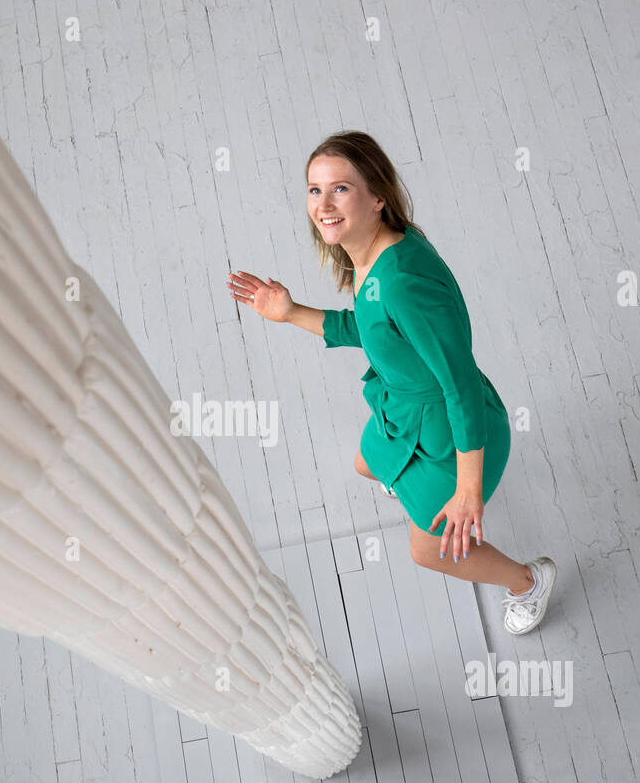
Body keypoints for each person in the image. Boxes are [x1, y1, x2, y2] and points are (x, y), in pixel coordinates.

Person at [226, 131, 556, 634]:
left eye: (341, 189)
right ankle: (412, 484)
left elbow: (461, 383)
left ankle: (528, 582)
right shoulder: (369, 257)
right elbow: (373, 328)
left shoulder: (402, 280)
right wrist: (290, 312)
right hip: (403, 411)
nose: (323, 204)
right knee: (365, 463)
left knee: (428, 552)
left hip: (447, 430)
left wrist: (469, 490)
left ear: (377, 196)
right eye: (315, 190)